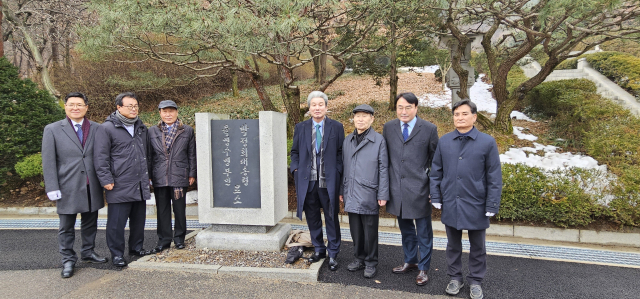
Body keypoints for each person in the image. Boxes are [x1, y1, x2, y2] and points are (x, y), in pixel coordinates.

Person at [430, 100, 502, 299]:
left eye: (464, 114)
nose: (459, 118)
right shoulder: (445, 141)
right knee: (453, 245)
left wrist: (492, 203)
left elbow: (494, 176)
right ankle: (455, 277)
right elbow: (436, 172)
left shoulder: (487, 142)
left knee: (478, 246)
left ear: (474, 117)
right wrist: (436, 195)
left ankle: (476, 280)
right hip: (451, 201)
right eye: (456, 114)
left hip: (476, 202)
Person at [42, 92, 108, 278]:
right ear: (65, 107)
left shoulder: (97, 128)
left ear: (86, 107)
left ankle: (88, 252)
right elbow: (48, 161)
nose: (75, 108)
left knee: (90, 223)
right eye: (71, 104)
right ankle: (68, 260)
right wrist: (52, 186)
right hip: (66, 186)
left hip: (91, 185)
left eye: (79, 104)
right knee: (66, 226)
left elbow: (102, 156)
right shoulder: (53, 129)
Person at [382, 92, 439, 286]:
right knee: (406, 229)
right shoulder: (389, 128)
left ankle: (424, 267)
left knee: (424, 231)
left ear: (416, 108)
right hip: (397, 189)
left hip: (420, 189)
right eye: (400, 107)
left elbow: (435, 161)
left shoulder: (429, 129)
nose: (403, 111)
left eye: (408, 107)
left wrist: (434, 187)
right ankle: (410, 261)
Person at [94, 92, 153, 267]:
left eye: (136, 106)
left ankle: (136, 248)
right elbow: (100, 156)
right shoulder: (106, 128)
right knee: (116, 223)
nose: (134, 109)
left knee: (138, 219)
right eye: (130, 106)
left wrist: (147, 176)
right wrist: (105, 179)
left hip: (139, 182)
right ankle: (117, 254)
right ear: (119, 107)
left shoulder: (141, 127)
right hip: (118, 183)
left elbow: (146, 155)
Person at [290, 91, 344, 271]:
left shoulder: (337, 127)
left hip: (328, 181)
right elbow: (295, 152)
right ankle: (319, 249)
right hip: (308, 181)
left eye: (321, 104)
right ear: (309, 108)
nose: (317, 108)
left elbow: (340, 153)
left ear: (326, 107)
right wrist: (295, 169)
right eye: (314, 105)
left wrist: (337, 170)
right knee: (312, 218)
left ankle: (334, 253)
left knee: (331, 217)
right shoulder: (301, 127)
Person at [340, 104, 389, 279]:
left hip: (369, 191)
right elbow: (343, 167)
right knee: (355, 229)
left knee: (370, 231)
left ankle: (371, 261)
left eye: (364, 116)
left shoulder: (379, 140)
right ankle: (359, 258)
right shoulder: (348, 140)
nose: (360, 119)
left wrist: (383, 193)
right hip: (351, 191)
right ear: (353, 118)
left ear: (372, 119)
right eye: (357, 116)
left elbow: (384, 168)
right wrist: (341, 190)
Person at [148, 100, 196, 253]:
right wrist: (149, 175)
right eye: (164, 111)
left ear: (176, 112)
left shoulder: (186, 130)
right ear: (160, 113)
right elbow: (149, 155)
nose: (168, 114)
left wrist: (191, 173)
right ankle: (164, 240)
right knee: (162, 210)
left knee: (179, 209)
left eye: (171, 111)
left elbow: (191, 154)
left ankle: (180, 238)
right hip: (159, 175)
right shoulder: (152, 131)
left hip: (179, 175)